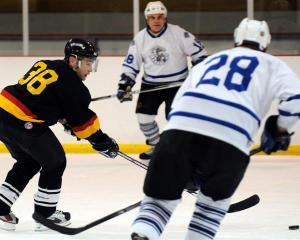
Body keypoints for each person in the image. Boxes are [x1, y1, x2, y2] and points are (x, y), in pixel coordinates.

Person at [130, 18, 300, 240]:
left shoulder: (212, 60)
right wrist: (280, 131)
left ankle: (143, 233)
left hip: (177, 136)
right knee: (210, 209)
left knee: (158, 201)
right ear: (265, 43)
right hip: (230, 145)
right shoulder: (273, 64)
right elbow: (295, 99)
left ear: (236, 38)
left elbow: (179, 103)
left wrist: (185, 159)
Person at [0, 38, 119, 231]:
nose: (90, 69)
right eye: (88, 63)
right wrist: (101, 141)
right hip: (23, 121)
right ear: (73, 60)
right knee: (55, 161)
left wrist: (63, 116)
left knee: (28, 162)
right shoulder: (75, 87)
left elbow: (41, 99)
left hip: (3, 114)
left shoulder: (45, 64)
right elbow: (82, 123)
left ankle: (0, 207)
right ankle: (45, 214)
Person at [116, 1, 208, 160]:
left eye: (160, 17)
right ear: (147, 19)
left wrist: (199, 72)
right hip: (151, 84)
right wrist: (125, 84)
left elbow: (200, 53)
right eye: (152, 17)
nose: (156, 20)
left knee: (176, 119)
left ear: (165, 18)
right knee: (143, 118)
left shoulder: (178, 33)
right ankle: (156, 145)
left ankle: (178, 150)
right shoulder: (140, 38)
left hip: (178, 84)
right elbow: (131, 63)